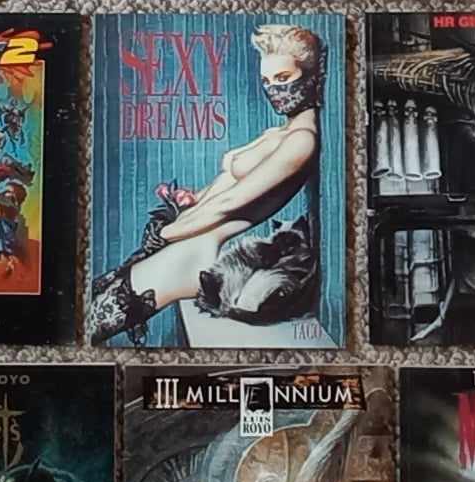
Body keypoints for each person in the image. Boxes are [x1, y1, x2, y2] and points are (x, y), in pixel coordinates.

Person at [89, 24, 325, 340]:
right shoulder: (280, 132)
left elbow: (228, 204)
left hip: (193, 252)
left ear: (310, 76)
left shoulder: (302, 140)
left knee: (92, 322)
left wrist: (164, 234)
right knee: (90, 304)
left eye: (283, 78)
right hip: (188, 240)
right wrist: (193, 199)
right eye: (267, 81)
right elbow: (225, 187)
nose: (274, 90)